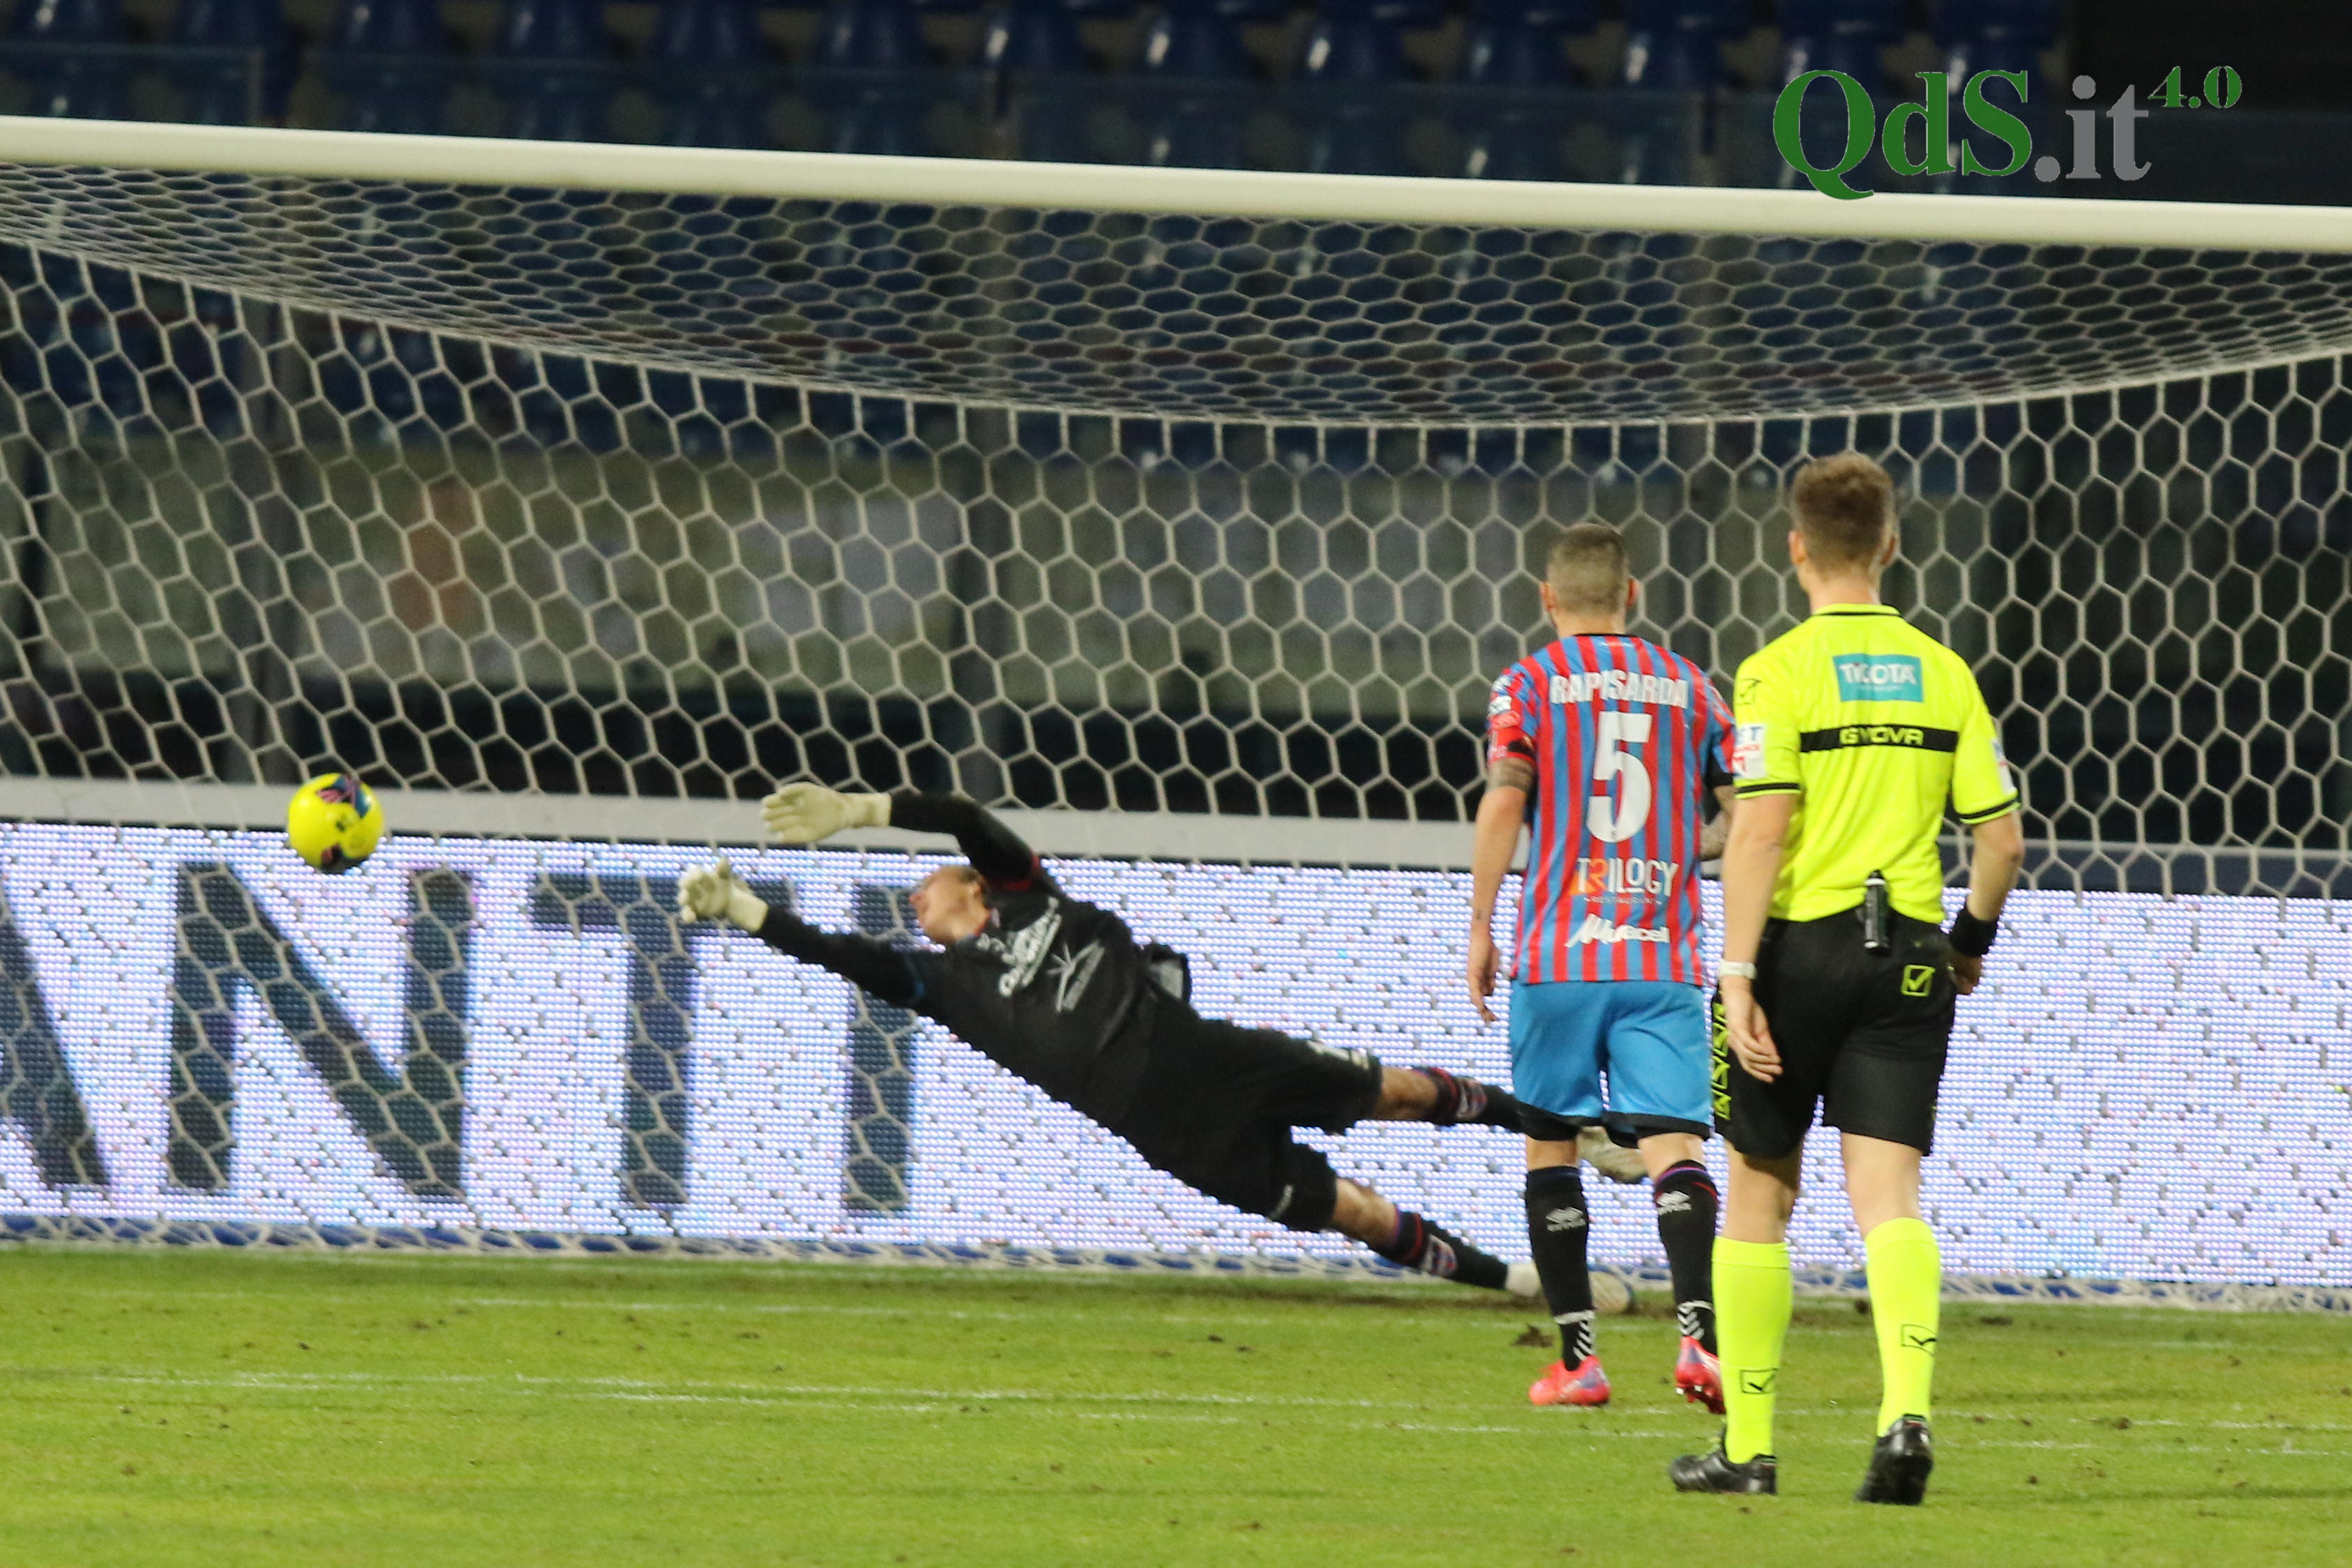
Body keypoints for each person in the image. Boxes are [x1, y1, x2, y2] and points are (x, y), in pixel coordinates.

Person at [678, 785, 1588, 1293]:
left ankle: (1575, 1134)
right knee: (1354, 1211)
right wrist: (749, 909)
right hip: (1167, 1131)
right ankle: (1512, 1281)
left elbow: (965, 817)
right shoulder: (941, 984)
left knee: (1400, 1093)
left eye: (930, 884)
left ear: (978, 890)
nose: (916, 898)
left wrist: (864, 810)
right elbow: (840, 956)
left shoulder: (1034, 895)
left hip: (1208, 1057)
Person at [1671, 453, 2025, 1505]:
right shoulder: (1944, 671)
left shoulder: (1777, 672)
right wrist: (1965, 946)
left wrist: (1736, 978)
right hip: (1908, 958)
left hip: (1797, 957)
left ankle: (1751, 1451)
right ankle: (1905, 1418)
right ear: (1892, 544)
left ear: (1794, 548)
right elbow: (2001, 843)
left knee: (1758, 1193)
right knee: (1890, 1199)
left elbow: (1761, 829)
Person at [1468, 522, 1738, 1414]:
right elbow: (1743, 818)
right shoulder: (1694, 687)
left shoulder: (1528, 683)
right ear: (1636, 595)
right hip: (1661, 954)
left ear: (1547, 601)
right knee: (1677, 1148)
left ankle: (1579, 1361)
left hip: (1559, 954)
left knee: (1551, 1146)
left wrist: (1479, 923)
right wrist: (1688, 841)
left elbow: (1506, 796)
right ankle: (1700, 1342)